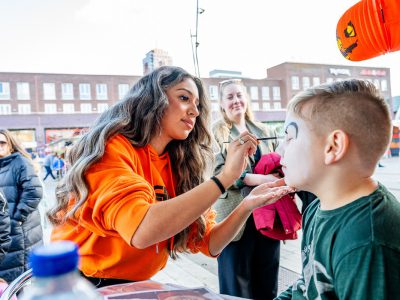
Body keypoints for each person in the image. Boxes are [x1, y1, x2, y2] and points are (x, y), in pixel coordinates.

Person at [48, 66, 294, 288]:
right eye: (184, 97)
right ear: (151, 100)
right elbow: (141, 231)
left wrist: (247, 205)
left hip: (134, 284)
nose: (195, 111)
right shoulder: (114, 148)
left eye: (197, 104)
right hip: (81, 285)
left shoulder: (179, 165)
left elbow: (211, 243)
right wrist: (225, 178)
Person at [276, 79, 400, 299]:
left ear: (333, 147)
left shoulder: (367, 243)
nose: (280, 149)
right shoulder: (315, 209)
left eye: (289, 137)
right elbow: (306, 285)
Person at [212, 78, 282, 300]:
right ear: (221, 103)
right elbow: (218, 172)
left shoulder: (262, 129)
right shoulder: (217, 133)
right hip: (234, 217)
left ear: (246, 99)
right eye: (230, 97)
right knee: (236, 285)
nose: (236, 101)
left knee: (267, 281)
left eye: (239, 95)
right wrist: (261, 179)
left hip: (266, 215)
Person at [0, 129, 43, 283]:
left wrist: (18, 218)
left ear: (10, 145)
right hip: (6, 231)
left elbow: (34, 192)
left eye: (2, 142)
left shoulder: (19, 162)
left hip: (20, 231)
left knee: (19, 278)